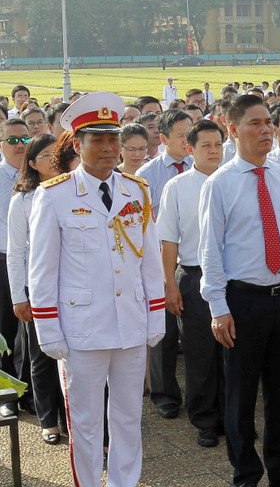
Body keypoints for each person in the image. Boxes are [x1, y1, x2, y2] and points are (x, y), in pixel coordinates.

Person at [28, 91, 165, 487]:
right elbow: (42, 271)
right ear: (78, 143)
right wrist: (48, 329)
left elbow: (150, 262)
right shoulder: (54, 195)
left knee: (127, 418)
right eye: (96, 140)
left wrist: (154, 314)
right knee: (85, 424)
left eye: (112, 139)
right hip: (81, 329)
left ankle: (125, 483)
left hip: (130, 325)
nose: (107, 147)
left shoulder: (135, 191)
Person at [199, 94, 280, 487]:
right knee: (241, 395)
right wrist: (218, 306)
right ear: (232, 129)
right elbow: (210, 251)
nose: (266, 130)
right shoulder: (219, 185)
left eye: (269, 122)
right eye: (255, 123)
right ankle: (246, 472)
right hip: (243, 301)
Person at [156, 119, 225, 448]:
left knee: (234, 353)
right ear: (190, 149)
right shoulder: (178, 186)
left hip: (234, 279)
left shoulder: (234, 180)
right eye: (205, 146)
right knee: (200, 354)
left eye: (218, 144)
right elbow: (168, 241)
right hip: (195, 277)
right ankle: (205, 419)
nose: (213, 151)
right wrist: (169, 285)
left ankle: (231, 416)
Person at [7, 133, 65, 444]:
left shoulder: (73, 192)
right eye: (46, 155)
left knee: (73, 354)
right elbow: (16, 251)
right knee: (41, 355)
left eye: (58, 153)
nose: (54, 159)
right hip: (37, 287)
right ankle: (48, 419)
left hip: (70, 286)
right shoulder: (23, 200)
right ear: (32, 163)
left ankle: (73, 416)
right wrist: (19, 296)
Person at [137, 108, 194, 420]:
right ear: (162, 139)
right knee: (164, 333)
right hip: (161, 262)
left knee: (198, 332)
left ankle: (202, 394)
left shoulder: (204, 168)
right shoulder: (147, 175)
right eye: (182, 137)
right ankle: (164, 394)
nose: (188, 142)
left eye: (191, 134)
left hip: (196, 259)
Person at [0, 118, 28, 418]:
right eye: (12, 140)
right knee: (5, 332)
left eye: (24, 139)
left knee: (32, 334)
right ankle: (8, 394)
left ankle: (31, 390)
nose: (19, 145)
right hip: (3, 261)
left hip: (34, 263)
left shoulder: (41, 176)